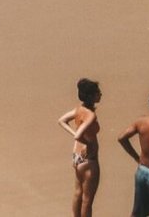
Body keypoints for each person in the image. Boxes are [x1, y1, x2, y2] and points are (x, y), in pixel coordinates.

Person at [59, 78, 102, 217]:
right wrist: (88, 143)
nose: (100, 94)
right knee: (87, 200)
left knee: (78, 193)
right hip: (89, 159)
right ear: (91, 96)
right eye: (98, 92)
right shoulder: (91, 115)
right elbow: (78, 135)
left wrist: (76, 135)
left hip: (77, 157)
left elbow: (62, 120)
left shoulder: (79, 110)